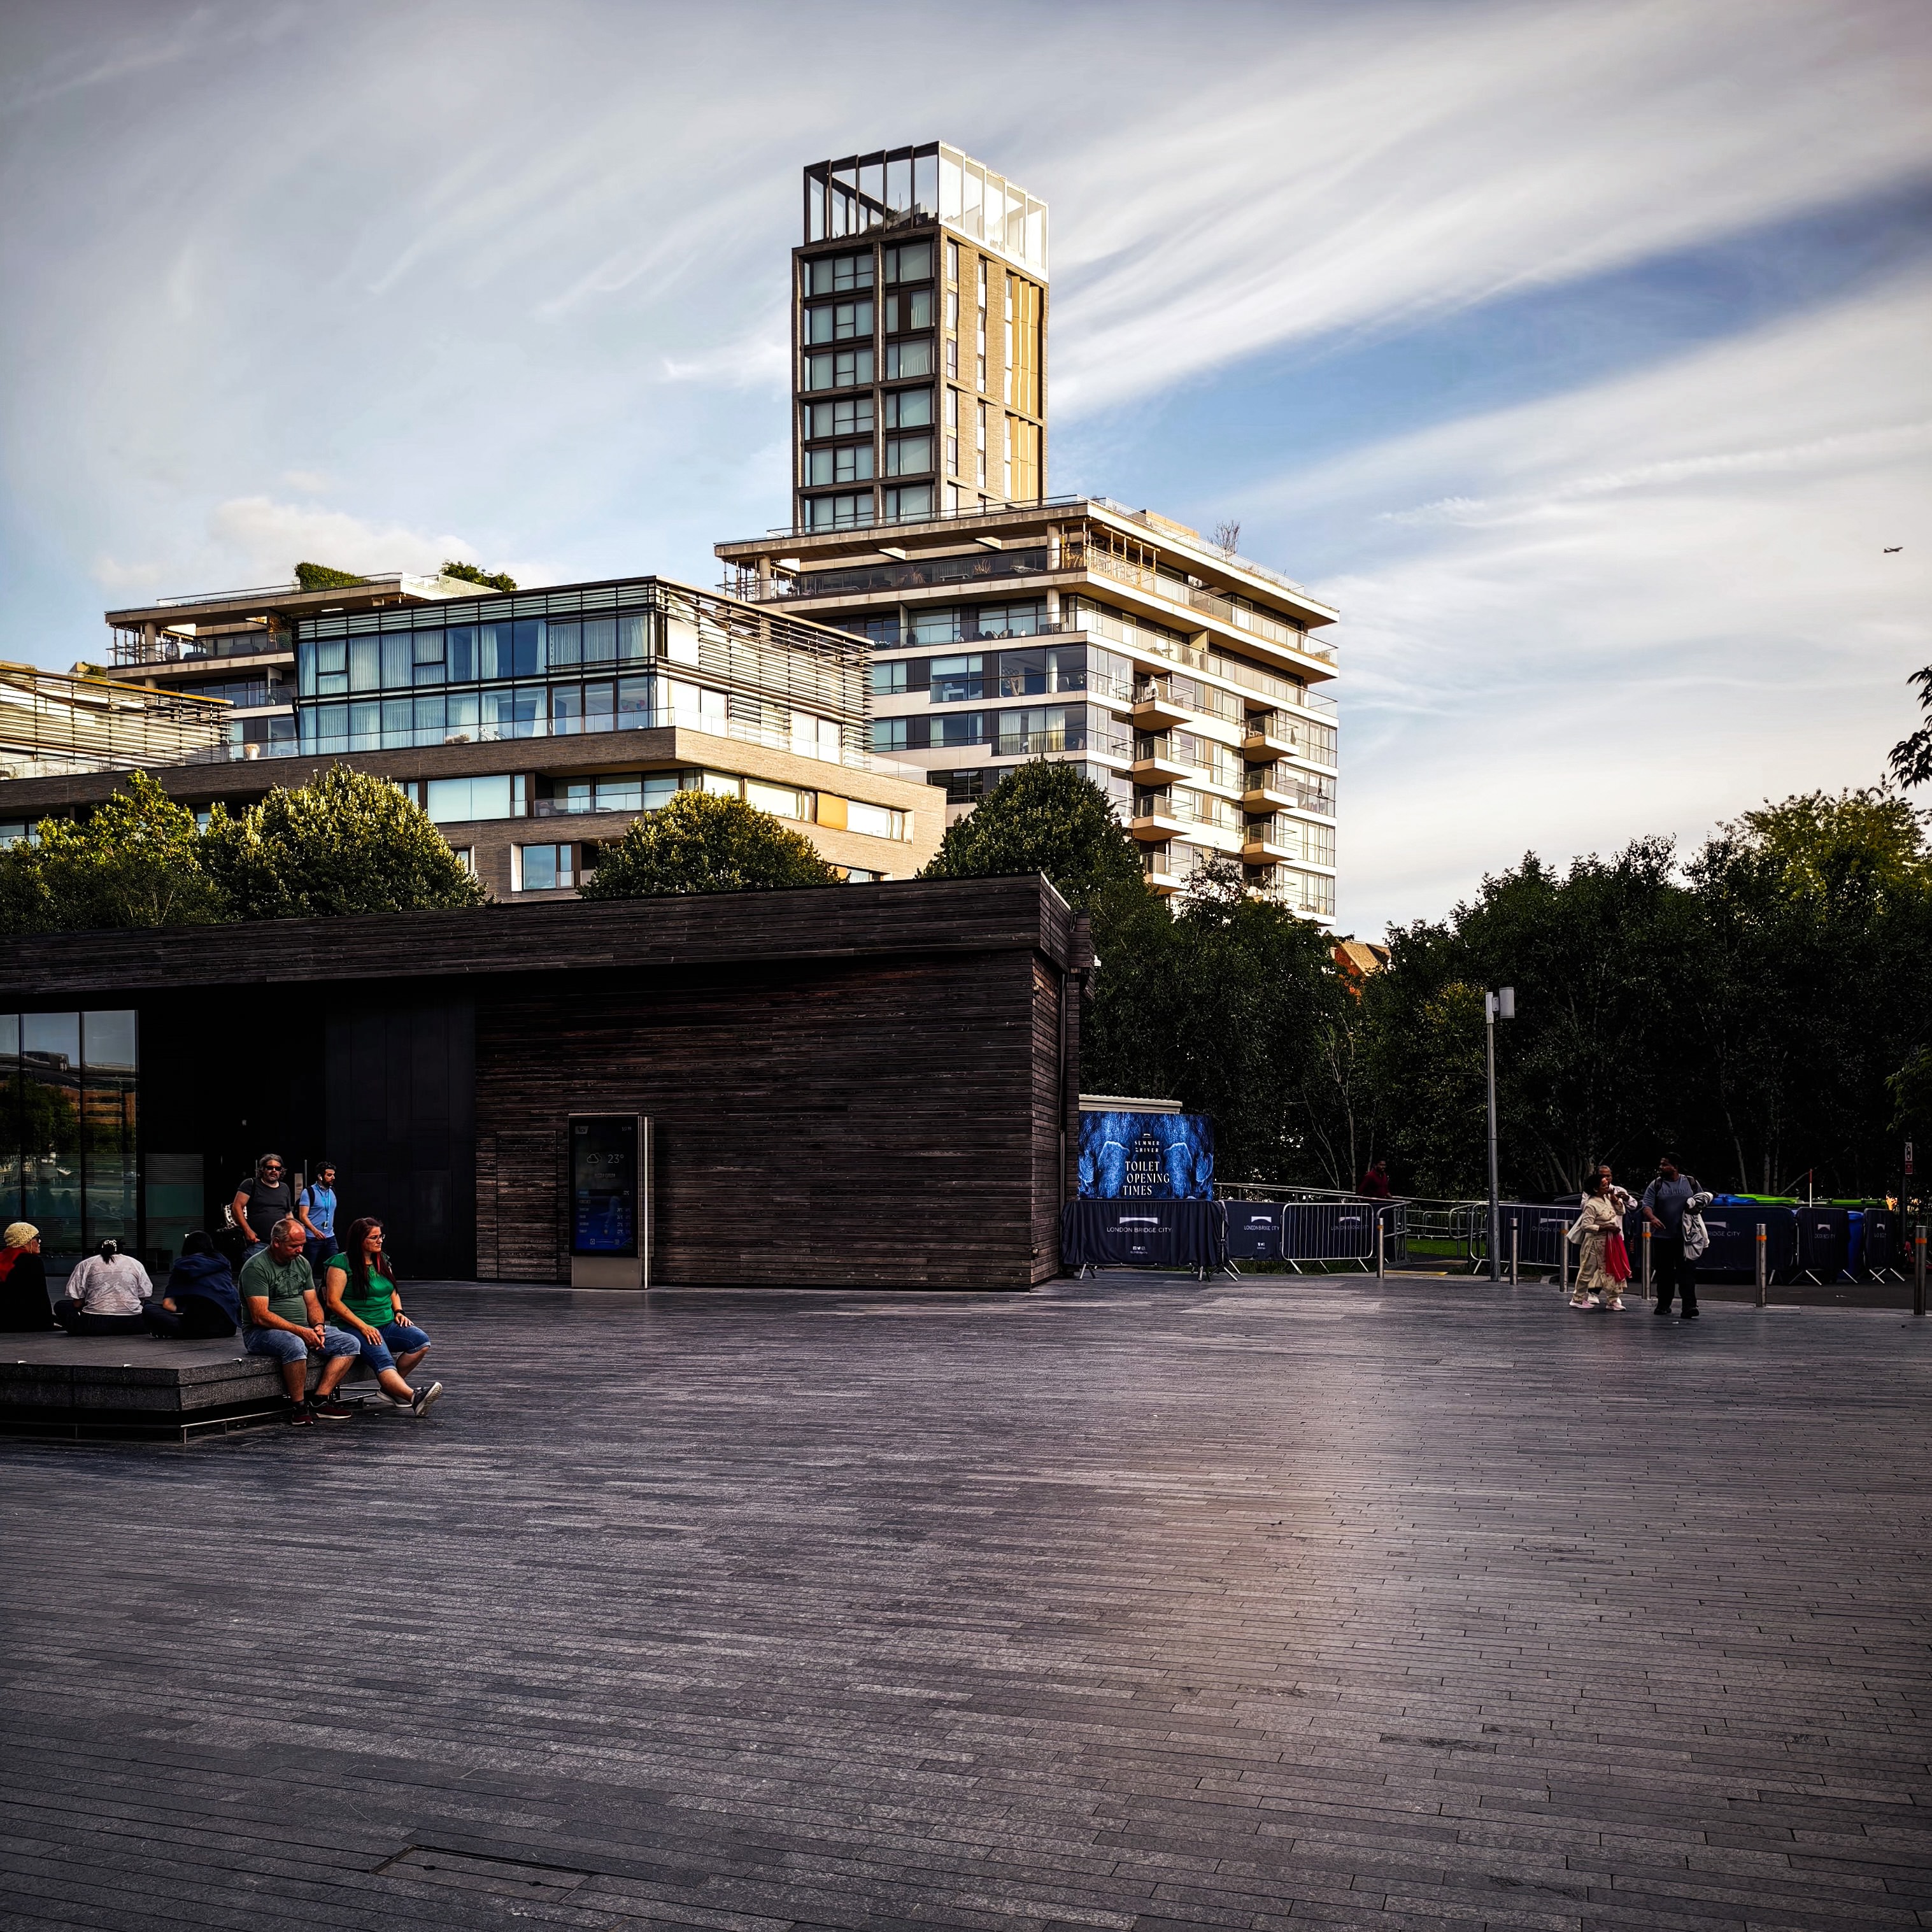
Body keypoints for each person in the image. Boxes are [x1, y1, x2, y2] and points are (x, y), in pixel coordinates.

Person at [239, 1215, 361, 1424]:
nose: (300, 1250)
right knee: (295, 1344)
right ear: (276, 1243)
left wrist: (318, 1326)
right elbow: (260, 1316)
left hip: (303, 1328)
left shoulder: (301, 1263)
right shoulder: (256, 1267)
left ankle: (320, 1400)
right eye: (294, 1246)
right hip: (260, 1333)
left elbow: (313, 1303)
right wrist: (302, 1332)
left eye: (303, 1245)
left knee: (350, 1343)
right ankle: (298, 1406)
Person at [322, 1216, 442, 1417]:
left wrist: (399, 1312)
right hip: (355, 1326)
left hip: (386, 1322)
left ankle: (390, 1389)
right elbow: (333, 1302)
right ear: (360, 1240)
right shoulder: (341, 1264)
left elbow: (392, 1290)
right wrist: (363, 1327)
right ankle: (414, 1397)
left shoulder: (382, 1259)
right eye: (374, 1237)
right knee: (384, 1359)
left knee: (420, 1341)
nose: (380, 1241)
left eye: (381, 1236)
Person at [143, 1231, 243, 1339]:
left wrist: (184, 1311)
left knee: (149, 1308)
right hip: (228, 1328)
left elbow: (168, 1305)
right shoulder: (223, 1264)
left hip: (195, 1329)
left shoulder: (182, 1267)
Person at [1643, 1154, 1703, 1319]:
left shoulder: (1690, 1182)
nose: (1661, 1167)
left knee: (1687, 1272)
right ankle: (1663, 1305)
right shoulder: (1656, 1184)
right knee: (1664, 1273)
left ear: (1675, 1167)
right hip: (1663, 1238)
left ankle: (1689, 1306)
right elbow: (1647, 1205)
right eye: (1661, 1164)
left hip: (1686, 1237)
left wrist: (1696, 1208)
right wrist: (1652, 1218)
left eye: (1665, 1165)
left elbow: (1702, 1200)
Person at [53, 1239, 153, 1335]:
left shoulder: (86, 1264)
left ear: (97, 1250)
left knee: (62, 1305)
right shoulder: (135, 1264)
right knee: (149, 1305)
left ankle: (76, 1328)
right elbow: (143, 1297)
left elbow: (77, 1304)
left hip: (94, 1324)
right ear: (122, 1250)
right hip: (133, 1323)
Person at [1568, 1172, 1626, 1310]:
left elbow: (1621, 1211)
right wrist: (1605, 1227)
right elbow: (1586, 1226)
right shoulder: (1591, 1204)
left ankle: (1613, 1300)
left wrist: (1615, 1199)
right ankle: (1577, 1298)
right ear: (1596, 1189)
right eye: (1604, 1185)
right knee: (1587, 1271)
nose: (1608, 1187)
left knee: (1612, 1270)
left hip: (1610, 1241)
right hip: (1594, 1242)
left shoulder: (1608, 1198)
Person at [231, 1153, 295, 1272]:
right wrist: (247, 1230)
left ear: (281, 1171)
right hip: (258, 1242)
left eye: (277, 1168)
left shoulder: (285, 1188)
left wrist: (293, 1231)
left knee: (280, 1276)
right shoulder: (251, 1184)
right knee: (256, 1275)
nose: (274, 1171)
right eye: (270, 1167)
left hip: (280, 1243)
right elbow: (237, 1207)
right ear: (262, 1169)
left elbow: (288, 1213)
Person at [0, 1221, 53, 1332]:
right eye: (37, 1239)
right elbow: (40, 1295)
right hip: (26, 1321)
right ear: (25, 1242)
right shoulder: (32, 1262)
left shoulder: (2, 1258)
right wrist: (48, 1322)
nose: (40, 1242)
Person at [295, 1162, 339, 1272]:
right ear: (320, 1176)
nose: (333, 1178)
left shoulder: (332, 1191)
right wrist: (315, 1231)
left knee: (334, 1267)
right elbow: (303, 1216)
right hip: (312, 1238)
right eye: (329, 1175)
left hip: (330, 1236)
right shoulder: (309, 1192)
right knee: (307, 1268)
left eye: (333, 1175)